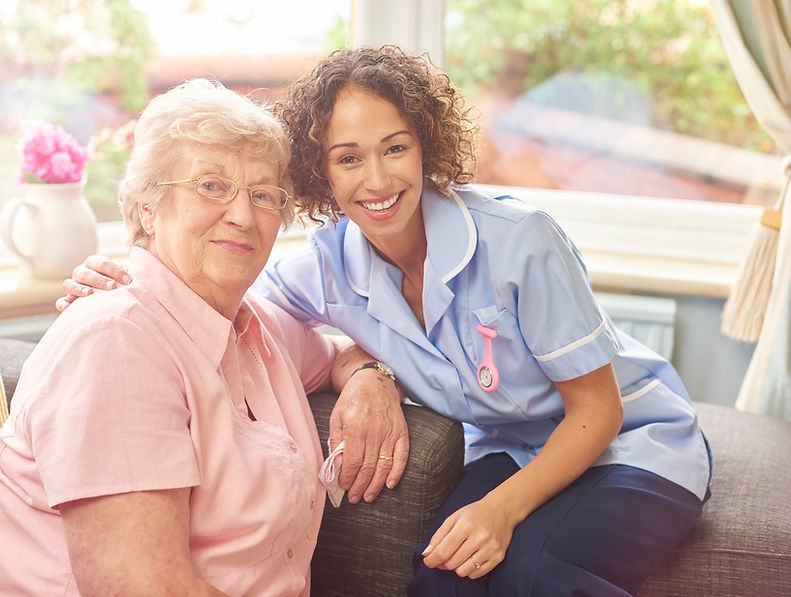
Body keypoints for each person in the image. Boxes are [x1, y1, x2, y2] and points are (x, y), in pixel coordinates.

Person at [58, 46, 712, 596]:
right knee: (438, 576)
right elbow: (222, 305)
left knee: (533, 571)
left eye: (393, 148)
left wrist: (498, 509)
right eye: (347, 158)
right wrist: (124, 276)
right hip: (511, 448)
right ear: (321, 172)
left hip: (628, 444)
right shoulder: (327, 266)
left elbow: (598, 410)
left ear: (425, 146)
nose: (376, 179)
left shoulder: (521, 241)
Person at [0, 78, 405, 597]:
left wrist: (373, 379)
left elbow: (337, 353)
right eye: (210, 186)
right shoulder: (113, 343)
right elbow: (144, 587)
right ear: (147, 207)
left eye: (262, 195)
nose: (242, 215)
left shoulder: (253, 326)